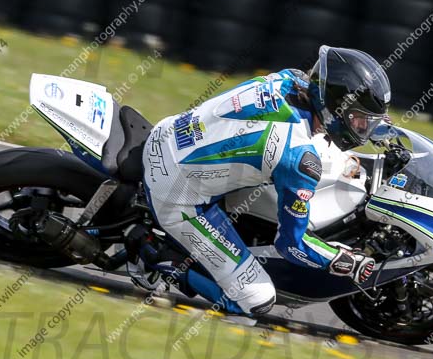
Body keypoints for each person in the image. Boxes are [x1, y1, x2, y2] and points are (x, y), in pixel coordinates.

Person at [136, 45, 391, 317]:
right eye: (359, 120)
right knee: (257, 301)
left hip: (169, 132)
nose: (363, 128)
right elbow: (292, 245)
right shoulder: (300, 158)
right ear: (335, 108)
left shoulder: (289, 79)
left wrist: (376, 129)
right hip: (178, 195)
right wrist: (343, 261)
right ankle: (155, 255)